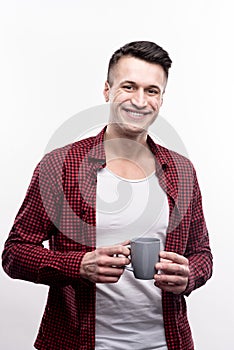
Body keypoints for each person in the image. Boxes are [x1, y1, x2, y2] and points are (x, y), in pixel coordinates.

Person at [2, 41, 213, 350]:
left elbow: (202, 255)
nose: (140, 101)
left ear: (162, 99)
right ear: (107, 90)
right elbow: (15, 254)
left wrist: (189, 274)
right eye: (129, 87)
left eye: (152, 91)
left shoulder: (182, 170)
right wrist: (78, 265)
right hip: (78, 341)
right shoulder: (61, 166)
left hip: (166, 341)